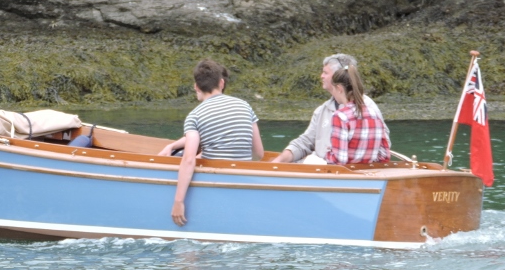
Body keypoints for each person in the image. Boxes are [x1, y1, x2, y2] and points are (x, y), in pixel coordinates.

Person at [160, 59, 264, 227]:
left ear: (196, 86)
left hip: (216, 179)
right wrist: (173, 145)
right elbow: (259, 153)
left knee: (178, 157)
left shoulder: (195, 116)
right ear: (221, 83)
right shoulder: (245, 106)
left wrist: (178, 202)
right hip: (243, 178)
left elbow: (188, 160)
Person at [272, 53, 388, 164]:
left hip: (335, 172)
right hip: (327, 171)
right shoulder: (322, 110)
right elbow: (305, 142)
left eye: (325, 72)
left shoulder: (366, 108)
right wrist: (280, 160)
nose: (321, 76)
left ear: (339, 75)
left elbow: (341, 160)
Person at [325, 64, 391, 165]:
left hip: (346, 176)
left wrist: (328, 154)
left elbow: (339, 160)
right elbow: (384, 156)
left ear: (339, 88)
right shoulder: (374, 114)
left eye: (333, 89)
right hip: (368, 174)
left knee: (310, 159)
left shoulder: (339, 116)